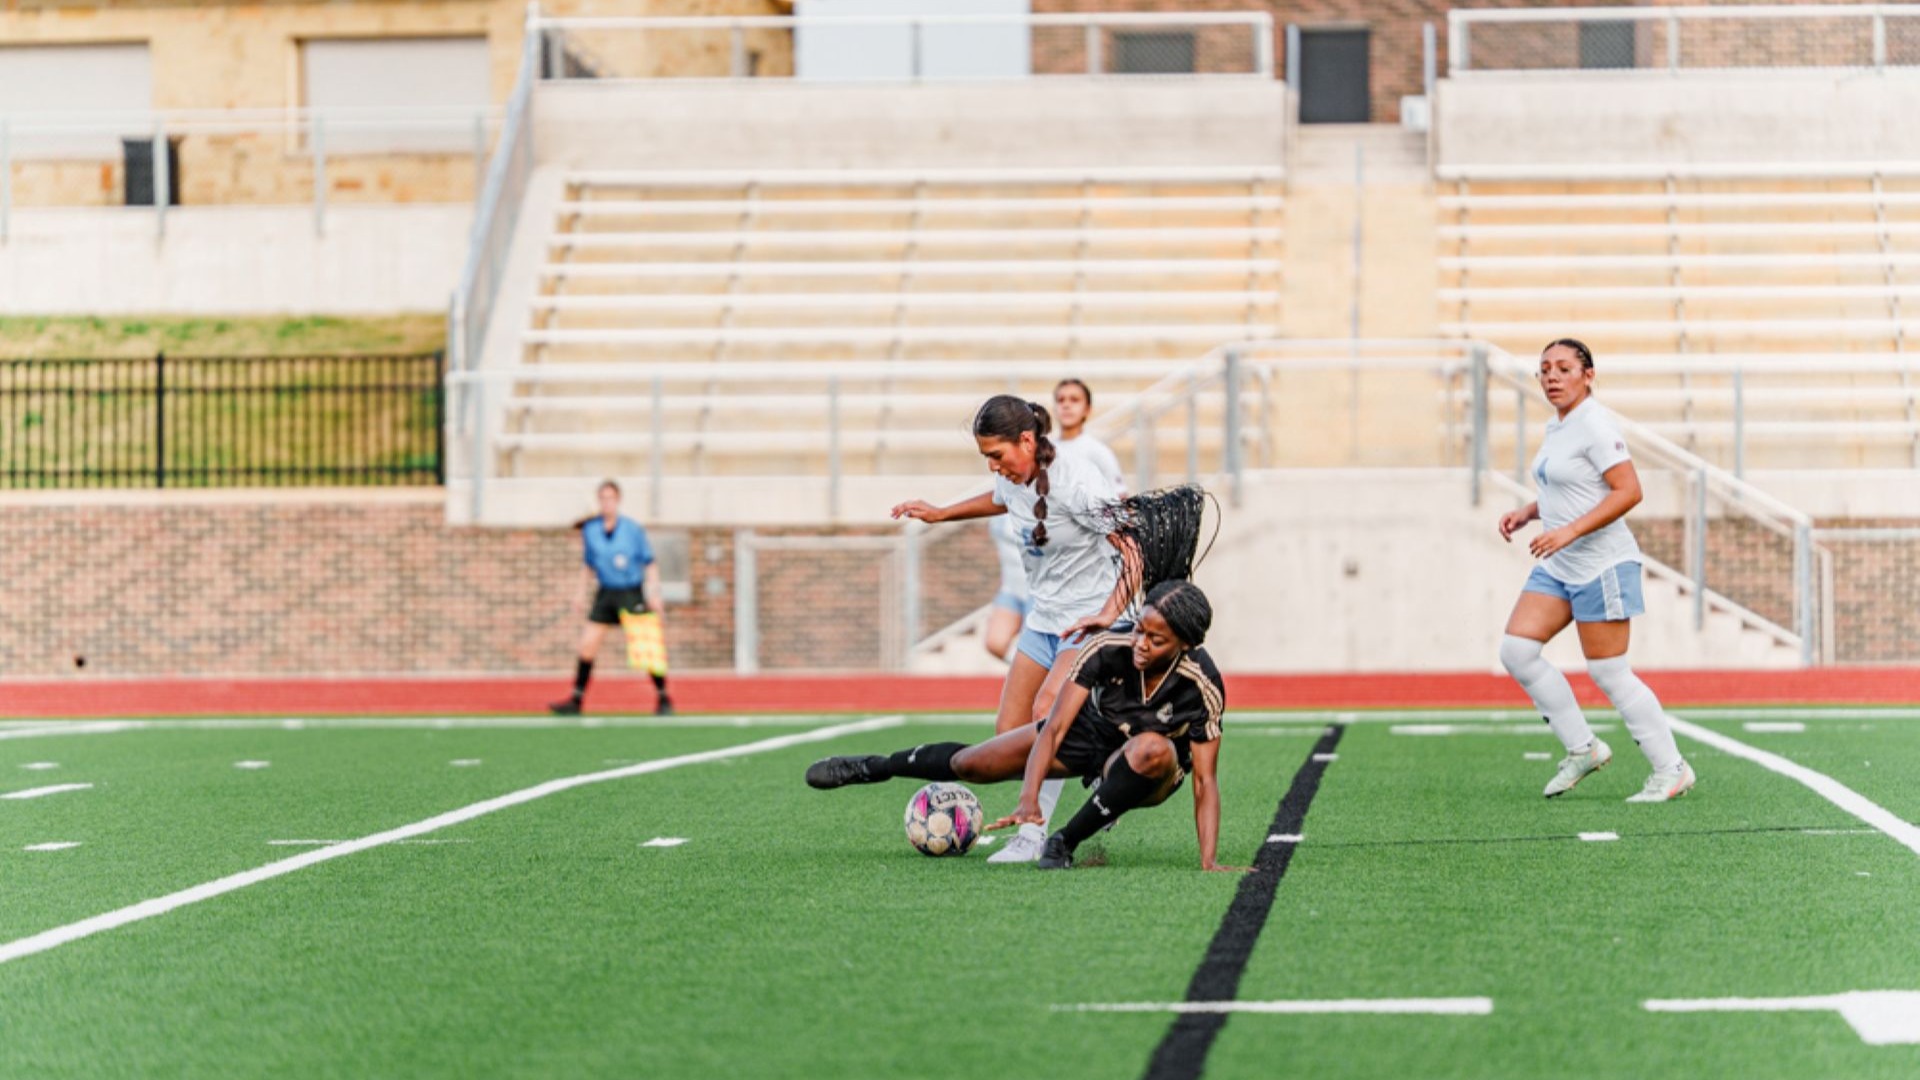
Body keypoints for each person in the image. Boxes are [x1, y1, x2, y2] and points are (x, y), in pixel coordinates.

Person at [805, 581, 1238, 872]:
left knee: (1150, 749)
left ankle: (1064, 843)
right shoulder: (1108, 647)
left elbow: (1204, 779)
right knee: (972, 763)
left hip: (1154, 771)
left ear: (1186, 645)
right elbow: (1052, 730)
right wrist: (1028, 799)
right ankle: (875, 767)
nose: (1141, 644)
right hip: (1092, 734)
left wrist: (1209, 860)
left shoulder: (1202, 684)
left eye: (1156, 640)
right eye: (1141, 629)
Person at [1497, 338, 1695, 802]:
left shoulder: (1595, 425)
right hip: (1562, 565)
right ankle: (1583, 749)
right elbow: (1571, 486)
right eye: (1544, 369)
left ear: (1588, 375)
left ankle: (1672, 769)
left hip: (1601, 565)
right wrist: (1530, 512)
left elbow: (1628, 491)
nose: (1551, 377)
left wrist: (1566, 532)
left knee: (1609, 672)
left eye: (1564, 368)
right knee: (1517, 651)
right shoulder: (1558, 425)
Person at [550, 480, 672, 717]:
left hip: (630, 591)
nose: (607, 502)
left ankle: (663, 697)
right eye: (603, 498)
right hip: (606, 592)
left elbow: (650, 563)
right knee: (587, 645)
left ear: (618, 500)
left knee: (646, 647)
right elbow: (588, 566)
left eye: (611, 498)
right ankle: (576, 700)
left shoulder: (632, 529)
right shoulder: (591, 530)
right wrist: (579, 593)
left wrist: (655, 594)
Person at [1050, 378, 1127, 494]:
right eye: (1060, 400)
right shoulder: (1045, 450)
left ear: (1087, 409)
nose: (1066, 405)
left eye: (1074, 400)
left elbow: (1120, 496)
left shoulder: (1098, 452)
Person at [983, 515, 1031, 662]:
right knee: (995, 642)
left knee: (1032, 648)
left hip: (1038, 591)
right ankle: (1025, 675)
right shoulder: (999, 504)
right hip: (1011, 588)